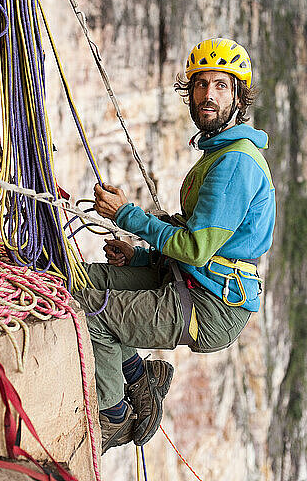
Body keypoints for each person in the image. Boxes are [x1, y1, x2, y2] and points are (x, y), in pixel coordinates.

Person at [72, 37, 276, 454]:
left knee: (93, 314)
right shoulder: (220, 151)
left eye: (221, 85)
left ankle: (112, 418)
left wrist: (126, 216)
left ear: (238, 96)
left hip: (211, 304)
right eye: (201, 85)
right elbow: (204, 241)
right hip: (193, 278)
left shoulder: (235, 161)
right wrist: (140, 254)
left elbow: (197, 246)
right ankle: (139, 377)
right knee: (83, 280)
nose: (208, 95)